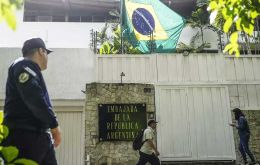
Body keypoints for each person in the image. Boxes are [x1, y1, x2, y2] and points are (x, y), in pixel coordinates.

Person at [2, 38, 62, 165]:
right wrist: (54, 126)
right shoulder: (23, 65)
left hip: (38, 136)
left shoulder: (31, 69)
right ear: (41, 51)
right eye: (47, 53)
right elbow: (34, 97)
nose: (47, 58)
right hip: (24, 136)